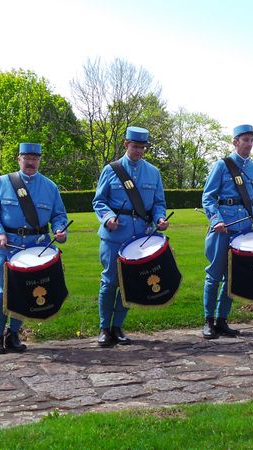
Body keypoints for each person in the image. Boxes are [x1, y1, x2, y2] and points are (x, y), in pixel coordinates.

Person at [0, 143, 69, 354]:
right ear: (18, 159)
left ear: (39, 160)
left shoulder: (50, 187)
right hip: (8, 245)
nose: (31, 162)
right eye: (26, 157)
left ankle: (13, 334)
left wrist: (59, 229)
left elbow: (59, 215)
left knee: (26, 290)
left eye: (35, 158)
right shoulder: (3, 182)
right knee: (2, 290)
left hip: (36, 247)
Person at [92, 127, 169, 347]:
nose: (139, 151)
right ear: (126, 144)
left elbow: (158, 203)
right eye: (135, 146)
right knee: (109, 281)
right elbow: (99, 201)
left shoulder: (153, 172)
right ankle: (104, 328)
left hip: (139, 237)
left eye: (142, 147)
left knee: (130, 282)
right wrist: (107, 217)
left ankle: (118, 326)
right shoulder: (111, 170)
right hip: (115, 234)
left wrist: (160, 219)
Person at [201, 124, 253, 339]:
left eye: (252, 140)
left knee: (233, 277)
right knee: (214, 275)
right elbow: (208, 197)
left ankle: (222, 320)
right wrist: (216, 219)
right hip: (222, 229)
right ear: (235, 142)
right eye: (245, 139)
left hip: (244, 230)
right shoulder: (222, 166)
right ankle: (208, 321)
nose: (249, 144)